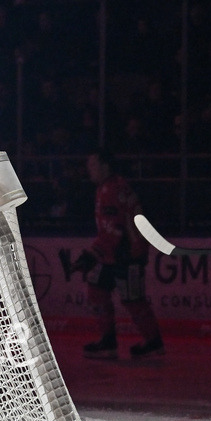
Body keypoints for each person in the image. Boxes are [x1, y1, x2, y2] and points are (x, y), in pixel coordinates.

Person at [61, 149, 163, 359]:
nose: (89, 170)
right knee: (97, 289)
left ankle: (153, 343)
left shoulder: (111, 190)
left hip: (127, 253)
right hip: (115, 252)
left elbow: (113, 231)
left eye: (93, 165)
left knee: (133, 299)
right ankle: (109, 342)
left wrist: (90, 255)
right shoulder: (111, 187)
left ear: (105, 166)